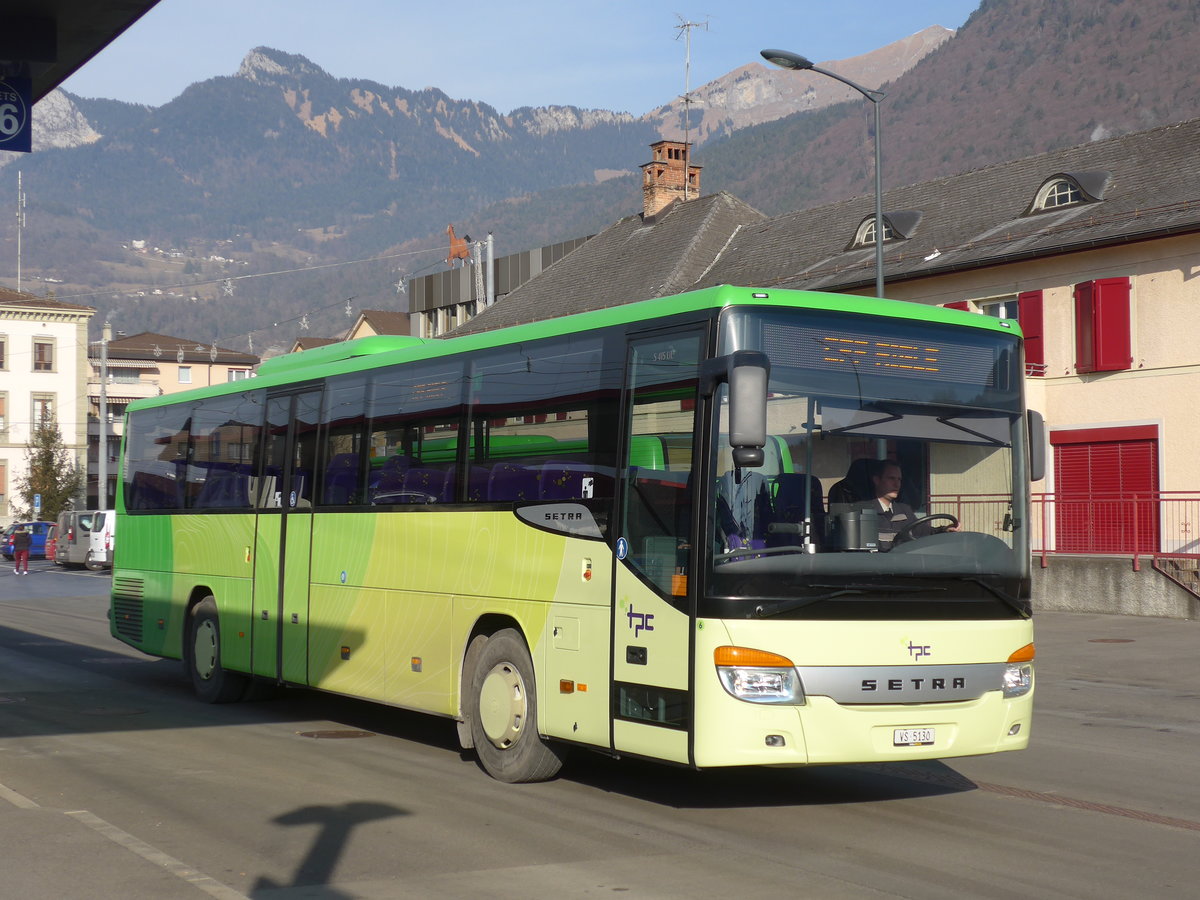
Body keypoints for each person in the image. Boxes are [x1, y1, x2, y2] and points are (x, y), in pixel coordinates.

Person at [865, 459, 957, 550]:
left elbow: (926, 532)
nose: (896, 484)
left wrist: (945, 530)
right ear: (877, 480)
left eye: (899, 479)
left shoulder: (905, 510)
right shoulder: (864, 512)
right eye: (891, 478)